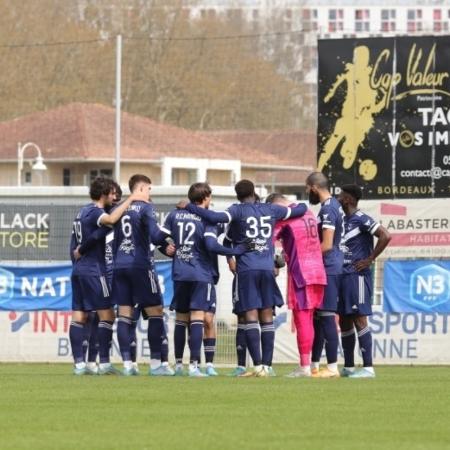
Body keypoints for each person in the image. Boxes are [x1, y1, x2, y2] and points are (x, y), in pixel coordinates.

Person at [183, 179, 307, 377]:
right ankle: (268, 366)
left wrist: (189, 206)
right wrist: (300, 204)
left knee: (249, 317)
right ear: (254, 192)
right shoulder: (271, 210)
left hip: (247, 269)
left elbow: (214, 217)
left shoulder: (237, 211)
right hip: (267, 269)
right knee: (267, 317)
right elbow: (299, 210)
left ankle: (257, 365)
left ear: (238, 196)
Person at [165, 182, 251, 377]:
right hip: (202, 273)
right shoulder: (208, 220)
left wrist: (166, 248)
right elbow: (212, 245)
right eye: (209, 197)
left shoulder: (174, 214)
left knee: (185, 319)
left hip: (180, 273)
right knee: (201, 318)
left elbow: (157, 236)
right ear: (205, 198)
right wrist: (234, 252)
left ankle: (183, 365)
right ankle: (194, 366)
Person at [69, 176, 145, 375]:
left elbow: (89, 238)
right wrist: (131, 200)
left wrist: (80, 253)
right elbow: (110, 219)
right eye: (112, 193)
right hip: (94, 270)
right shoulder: (96, 212)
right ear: (103, 194)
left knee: (79, 316)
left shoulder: (82, 211)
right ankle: (104, 364)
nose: (115, 197)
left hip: (78, 270)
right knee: (108, 316)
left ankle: (79, 365)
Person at [111, 174, 174, 376]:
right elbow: (155, 235)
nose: (149, 193)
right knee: (155, 312)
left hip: (119, 265)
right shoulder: (146, 208)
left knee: (125, 315)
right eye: (148, 189)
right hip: (140, 265)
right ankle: (156, 365)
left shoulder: (118, 209)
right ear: (140, 189)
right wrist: (172, 229)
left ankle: (128, 365)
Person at [267, 193, 327, 377]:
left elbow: (266, 240)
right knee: (312, 319)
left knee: (303, 320)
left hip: (302, 273)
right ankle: (313, 364)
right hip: (318, 269)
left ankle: (304, 367)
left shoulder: (285, 217)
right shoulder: (308, 212)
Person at [338, 184, 391, 378]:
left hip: (356, 276)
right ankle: (349, 366)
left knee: (359, 319)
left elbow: (386, 235)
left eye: (341, 195)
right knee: (344, 321)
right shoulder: (342, 220)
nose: (338, 197)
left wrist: (370, 259)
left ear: (349, 199)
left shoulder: (362, 219)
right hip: (341, 276)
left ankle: (368, 367)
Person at [306, 172, 344, 378]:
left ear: (313, 187)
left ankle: (332, 367)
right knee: (320, 317)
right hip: (329, 266)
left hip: (329, 267)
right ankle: (314, 364)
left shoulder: (328, 209)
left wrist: (305, 257)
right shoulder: (333, 205)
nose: (307, 193)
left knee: (328, 316)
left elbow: (327, 245)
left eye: (306, 189)